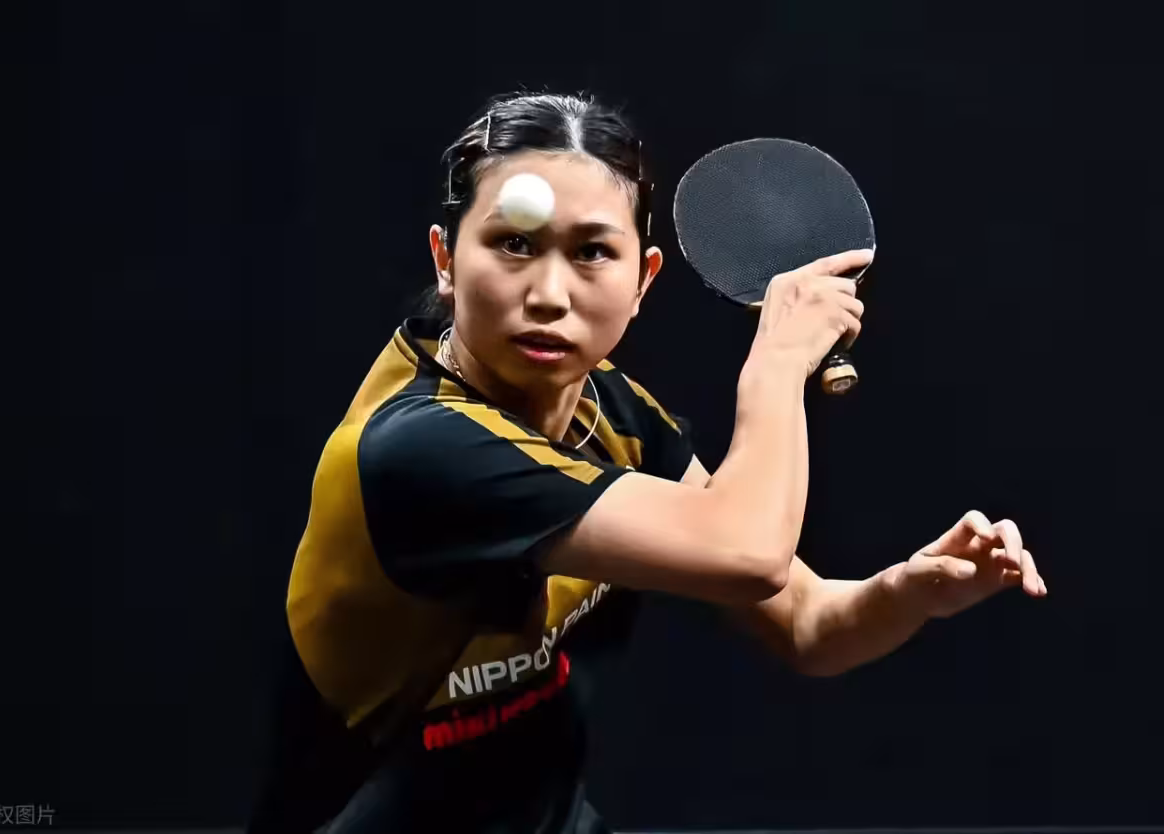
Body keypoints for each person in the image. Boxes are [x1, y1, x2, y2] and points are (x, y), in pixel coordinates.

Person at [245, 91, 1047, 834]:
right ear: (446, 260)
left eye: (592, 251)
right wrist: (776, 366)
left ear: (642, 281)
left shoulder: (611, 414)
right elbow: (747, 553)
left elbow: (807, 624)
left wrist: (909, 590)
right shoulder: (418, 447)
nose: (549, 293)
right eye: (513, 245)